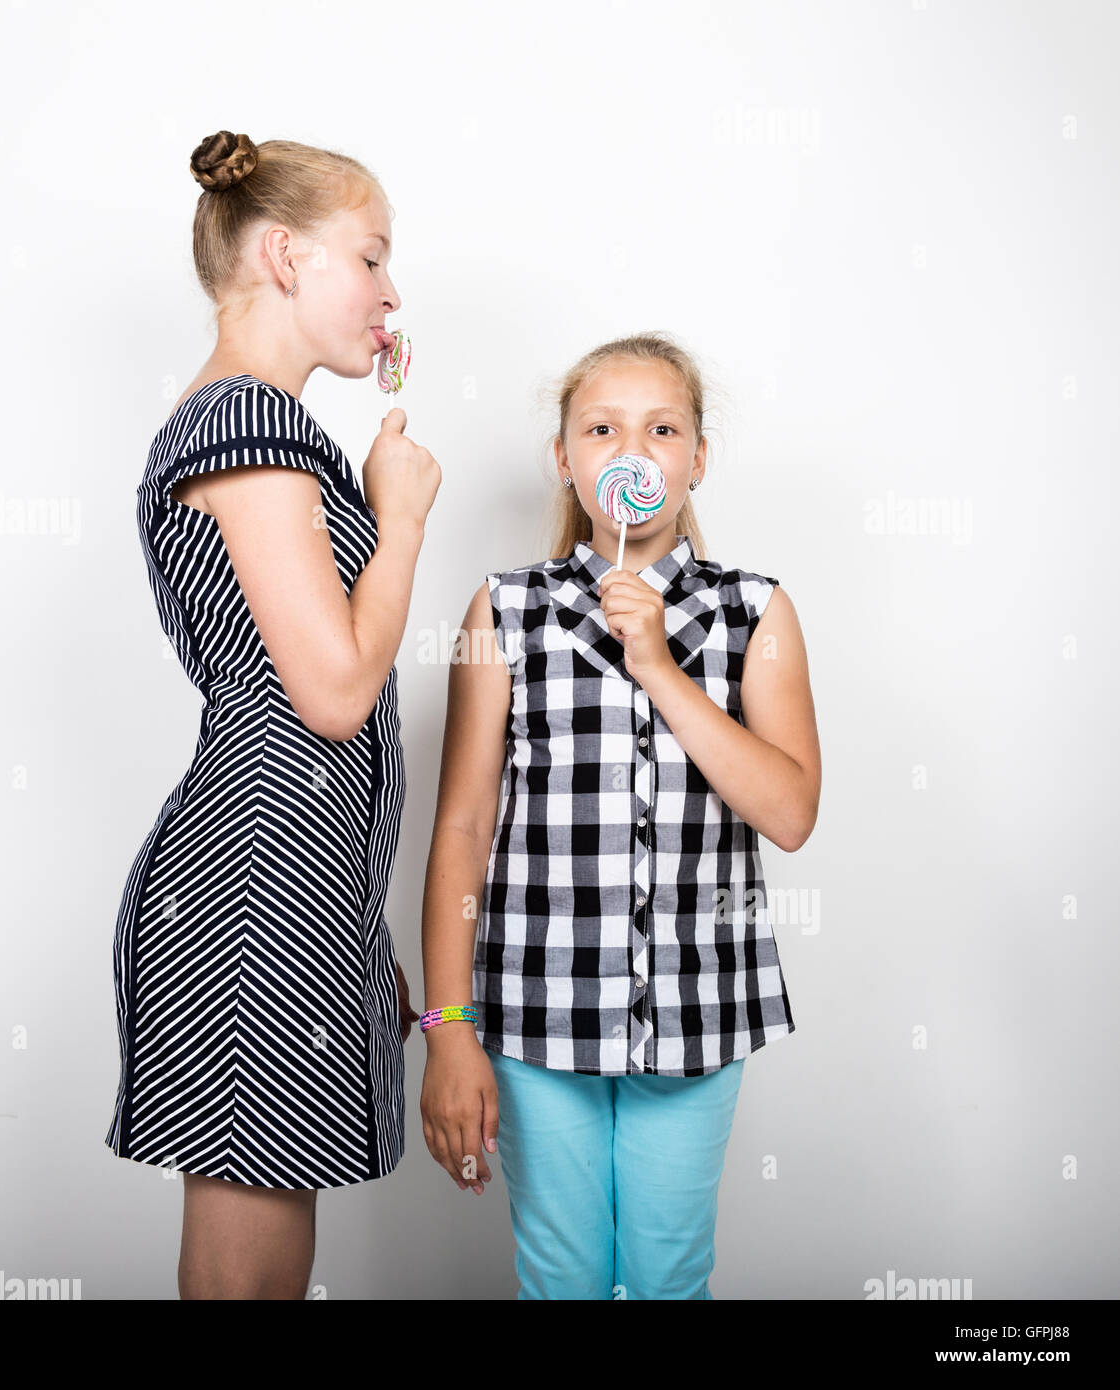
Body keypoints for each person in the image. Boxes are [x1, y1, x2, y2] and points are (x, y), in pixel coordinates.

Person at [105, 131, 439, 1300]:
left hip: (290, 880)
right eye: (372, 257)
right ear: (286, 255)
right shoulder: (246, 430)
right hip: (255, 886)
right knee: (247, 1251)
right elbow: (335, 692)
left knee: (266, 1228)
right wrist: (398, 520)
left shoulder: (264, 430)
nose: (393, 295)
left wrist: (352, 916)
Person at [419, 331, 820, 1299]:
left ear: (694, 458)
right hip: (532, 1010)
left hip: (693, 1011)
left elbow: (788, 809)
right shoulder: (503, 611)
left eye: (660, 427)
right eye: (600, 428)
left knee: (664, 1274)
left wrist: (659, 669)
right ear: (563, 458)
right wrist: (446, 1027)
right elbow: (463, 826)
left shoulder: (752, 612)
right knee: (559, 1274)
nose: (630, 450)